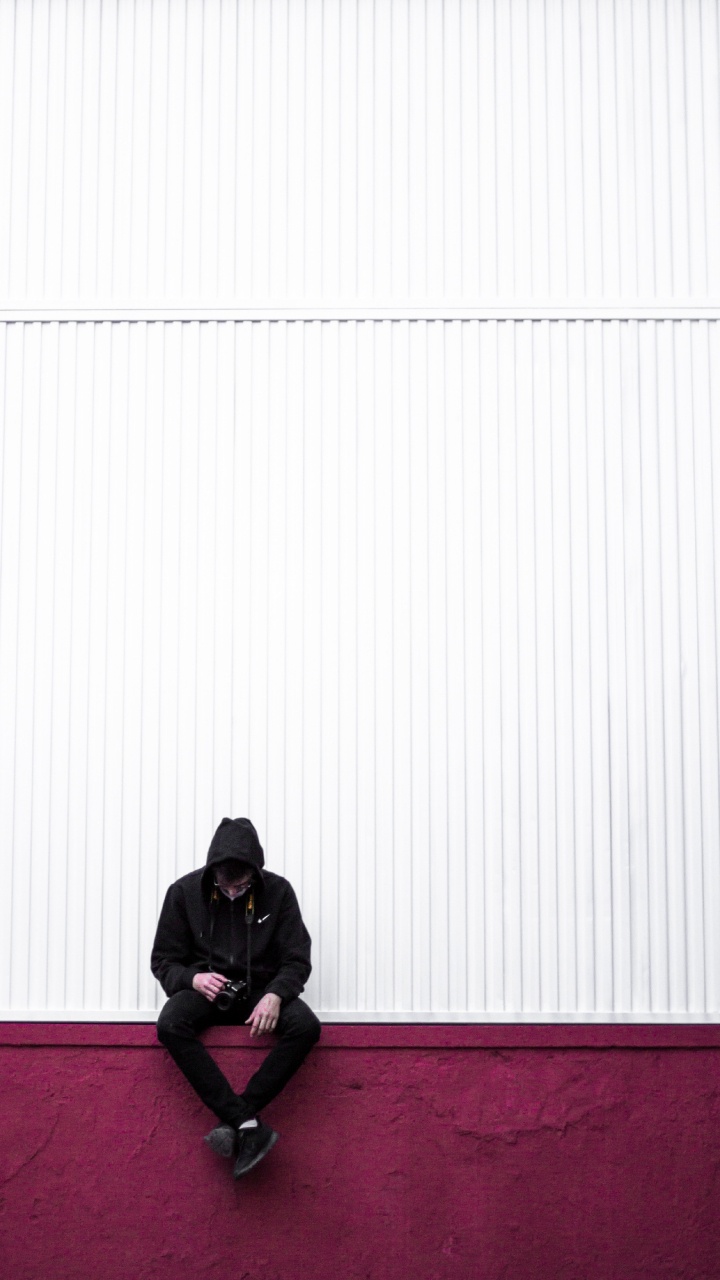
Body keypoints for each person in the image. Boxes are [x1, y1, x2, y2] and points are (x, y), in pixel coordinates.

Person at [151, 817, 321, 1179]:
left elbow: (297, 959)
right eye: (224, 886)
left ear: (255, 875)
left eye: (241, 886)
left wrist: (276, 994)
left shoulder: (279, 892)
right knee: (170, 1023)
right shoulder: (183, 892)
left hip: (260, 989)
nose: (232, 893)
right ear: (211, 874)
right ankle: (246, 1121)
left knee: (306, 1026)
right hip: (207, 989)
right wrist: (192, 978)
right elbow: (163, 961)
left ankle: (239, 1119)